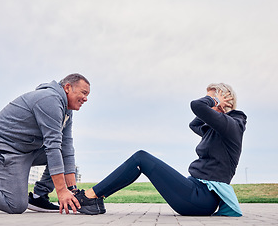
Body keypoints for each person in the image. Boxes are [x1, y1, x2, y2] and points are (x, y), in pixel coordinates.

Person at [76, 83, 247, 216]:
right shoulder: (215, 129)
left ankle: (90, 196)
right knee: (140, 159)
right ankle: (95, 198)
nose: (207, 101)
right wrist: (214, 104)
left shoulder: (232, 125)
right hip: (196, 189)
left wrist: (215, 101)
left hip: (202, 198)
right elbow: (194, 123)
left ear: (223, 101)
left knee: (141, 158)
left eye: (210, 98)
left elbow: (197, 105)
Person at [0, 73, 98, 215]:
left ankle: (39, 197)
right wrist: (61, 191)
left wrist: (72, 190)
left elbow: (66, 147)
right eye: (83, 93)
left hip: (23, 150)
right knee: (15, 205)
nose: (86, 99)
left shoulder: (66, 110)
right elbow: (52, 146)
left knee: (63, 153)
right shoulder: (49, 100)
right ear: (67, 88)